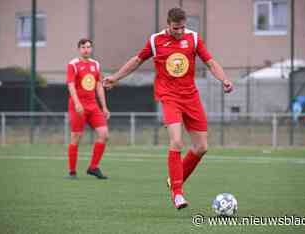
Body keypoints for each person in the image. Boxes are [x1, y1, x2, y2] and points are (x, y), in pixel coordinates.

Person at [103, 8, 233, 209]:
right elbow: (137, 60)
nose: (180, 31)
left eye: (182, 27)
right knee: (177, 141)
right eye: (176, 28)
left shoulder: (194, 38)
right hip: (169, 97)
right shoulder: (155, 41)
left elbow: (210, 62)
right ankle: (177, 193)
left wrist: (224, 79)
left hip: (191, 97)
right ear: (168, 24)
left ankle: (174, 178)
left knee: (202, 147)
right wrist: (115, 77)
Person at [66, 38, 110, 179]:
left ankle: (93, 167)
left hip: (93, 106)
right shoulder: (73, 64)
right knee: (76, 138)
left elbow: (98, 85)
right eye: (84, 47)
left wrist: (104, 106)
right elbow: (71, 85)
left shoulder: (95, 65)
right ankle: (72, 172)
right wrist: (77, 103)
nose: (87, 49)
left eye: (89, 47)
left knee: (104, 134)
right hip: (78, 106)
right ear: (79, 49)